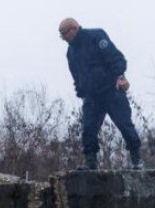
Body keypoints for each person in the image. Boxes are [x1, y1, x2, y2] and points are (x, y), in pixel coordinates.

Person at [59, 18, 143, 170]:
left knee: (124, 124)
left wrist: (120, 76)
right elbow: (76, 75)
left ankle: (137, 160)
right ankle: (90, 162)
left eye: (64, 34)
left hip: (111, 90)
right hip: (92, 97)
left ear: (74, 28)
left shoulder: (96, 36)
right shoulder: (71, 53)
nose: (64, 38)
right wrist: (80, 90)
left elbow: (116, 58)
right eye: (61, 36)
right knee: (88, 129)